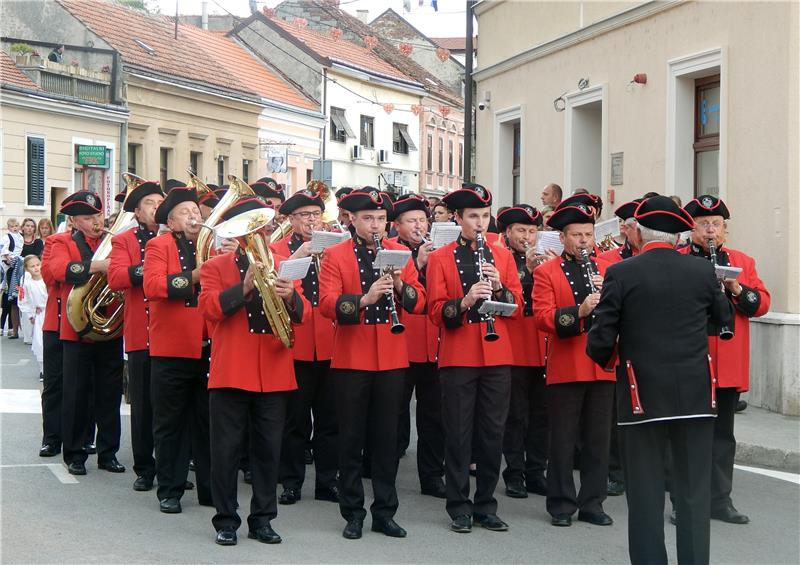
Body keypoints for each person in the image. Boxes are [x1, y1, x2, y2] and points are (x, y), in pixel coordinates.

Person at [587, 196, 734, 565]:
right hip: (696, 397)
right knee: (693, 495)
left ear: (639, 232)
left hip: (642, 396)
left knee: (646, 496)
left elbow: (601, 339)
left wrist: (607, 358)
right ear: (678, 236)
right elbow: (723, 316)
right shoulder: (702, 272)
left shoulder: (622, 273)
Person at [199, 196, 308, 546]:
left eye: (264, 225)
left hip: (274, 370)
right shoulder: (216, 266)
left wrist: (291, 296)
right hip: (232, 369)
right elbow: (210, 310)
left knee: (268, 450)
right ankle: (226, 520)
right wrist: (244, 287)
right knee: (226, 451)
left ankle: (262, 519)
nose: (263, 231)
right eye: (255, 226)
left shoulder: (284, 262)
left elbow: (301, 315)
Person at [318, 188, 426, 540]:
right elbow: (326, 303)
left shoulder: (398, 253)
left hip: (392, 357)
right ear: (352, 219)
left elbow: (419, 301)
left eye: (380, 219)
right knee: (351, 438)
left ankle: (385, 511)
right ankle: (352, 512)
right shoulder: (335, 255)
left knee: (386, 439)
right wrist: (364, 299)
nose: (375, 225)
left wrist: (398, 284)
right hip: (352, 357)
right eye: (368, 219)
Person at [426, 184, 523, 534]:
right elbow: (436, 311)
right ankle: (459, 506)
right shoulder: (439, 258)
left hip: (497, 355)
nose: (480, 224)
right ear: (458, 218)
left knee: (492, 433)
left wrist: (499, 289)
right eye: (473, 217)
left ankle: (486, 504)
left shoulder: (503, 255)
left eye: (484, 216)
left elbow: (518, 308)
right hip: (459, 355)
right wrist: (466, 301)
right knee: (458, 432)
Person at [682, 195, 770, 525]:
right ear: (691, 229)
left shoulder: (743, 262)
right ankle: (686, 502)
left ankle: (720, 500)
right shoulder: (680, 260)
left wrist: (735, 287)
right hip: (690, 362)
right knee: (689, 436)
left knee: (722, 437)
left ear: (725, 231)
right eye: (703, 224)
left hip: (727, 365)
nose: (710, 230)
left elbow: (761, 303)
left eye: (716, 225)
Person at [533, 201, 614, 528]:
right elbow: (541, 317)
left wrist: (606, 301)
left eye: (588, 234)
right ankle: (562, 504)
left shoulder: (607, 270)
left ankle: (593, 503)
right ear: (563, 238)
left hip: (603, 364)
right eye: (577, 235)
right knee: (563, 439)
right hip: (567, 362)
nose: (584, 241)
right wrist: (579, 312)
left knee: (598, 440)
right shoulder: (546, 272)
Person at [45, 191, 124, 476]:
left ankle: (108, 452)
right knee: (76, 394)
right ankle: (75, 454)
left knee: (109, 395)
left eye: (98, 216)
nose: (96, 222)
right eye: (89, 218)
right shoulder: (61, 241)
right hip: (76, 329)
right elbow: (57, 270)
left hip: (110, 328)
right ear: (75, 221)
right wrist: (97, 266)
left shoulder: (114, 242)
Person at [143, 186, 212, 513]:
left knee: (208, 423)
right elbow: (153, 286)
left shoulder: (211, 245)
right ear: (170, 221)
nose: (194, 216)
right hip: (171, 349)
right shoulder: (159, 245)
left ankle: (211, 490)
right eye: (186, 212)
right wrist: (196, 275)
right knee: (170, 424)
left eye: (196, 212)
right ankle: (169, 489)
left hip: (209, 346)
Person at [271, 186, 339, 506]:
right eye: (305, 216)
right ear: (291, 220)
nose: (312, 221)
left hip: (329, 342)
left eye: (316, 215)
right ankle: (291, 482)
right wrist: (301, 253)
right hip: (296, 343)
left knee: (329, 420)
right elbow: (274, 281)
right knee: (294, 421)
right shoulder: (278, 248)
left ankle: (327, 481)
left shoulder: (334, 246)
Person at [108, 180, 165, 492]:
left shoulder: (179, 237)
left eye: (159, 202)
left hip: (173, 333)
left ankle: (173, 467)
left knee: (172, 406)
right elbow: (116, 276)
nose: (156, 208)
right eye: (149, 204)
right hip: (142, 334)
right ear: (138, 212)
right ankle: (145, 467)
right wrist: (150, 268)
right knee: (143, 405)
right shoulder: (125, 239)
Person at [390, 194, 446, 498]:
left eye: (423, 220)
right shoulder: (391, 251)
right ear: (397, 225)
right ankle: (383, 468)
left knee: (433, 415)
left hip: (434, 342)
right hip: (403, 342)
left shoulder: (440, 252)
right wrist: (416, 262)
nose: (419, 226)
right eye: (412, 221)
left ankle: (432, 476)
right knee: (394, 410)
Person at [495, 205, 548, 499]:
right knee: (515, 415)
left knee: (542, 414)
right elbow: (509, 299)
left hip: (542, 344)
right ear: (508, 233)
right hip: (514, 344)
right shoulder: (500, 259)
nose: (527, 236)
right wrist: (527, 273)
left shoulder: (546, 259)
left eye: (531, 231)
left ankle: (536, 471)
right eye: (521, 231)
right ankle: (514, 473)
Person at [18, 255, 47, 378]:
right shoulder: (27, 284)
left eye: (37, 265)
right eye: (32, 266)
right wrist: (31, 315)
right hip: (40, 315)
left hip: (51, 312)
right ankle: (43, 370)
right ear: (27, 269)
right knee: (39, 342)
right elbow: (25, 300)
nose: (36, 268)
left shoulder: (47, 280)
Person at [1, 218, 24, 339]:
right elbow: (3, 248)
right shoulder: (7, 237)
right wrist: (7, 257)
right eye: (12, 226)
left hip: (19, 260)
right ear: (9, 227)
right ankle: (8, 327)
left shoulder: (20, 236)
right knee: (10, 293)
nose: (14, 228)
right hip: (10, 261)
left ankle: (15, 327)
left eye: (16, 225)